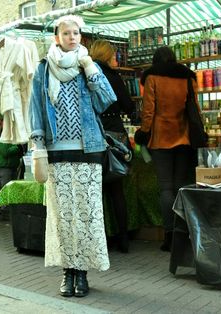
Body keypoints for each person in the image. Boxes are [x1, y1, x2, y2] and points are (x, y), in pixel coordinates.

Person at [29, 15, 116, 298]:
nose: (72, 37)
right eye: (66, 33)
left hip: (89, 149)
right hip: (56, 152)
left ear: (81, 36)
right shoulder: (43, 69)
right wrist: (38, 145)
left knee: (87, 215)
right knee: (63, 217)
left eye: (76, 33)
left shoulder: (87, 66)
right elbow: (36, 109)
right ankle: (69, 272)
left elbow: (106, 100)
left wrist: (90, 67)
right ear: (57, 37)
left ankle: (84, 273)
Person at [134, 46, 197, 252]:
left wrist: (143, 133)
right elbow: (194, 107)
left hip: (161, 138)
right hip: (184, 136)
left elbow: (149, 110)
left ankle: (169, 235)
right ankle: (183, 233)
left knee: (166, 188)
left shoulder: (152, 77)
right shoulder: (187, 76)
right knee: (181, 186)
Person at [89, 39, 134, 253]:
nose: (116, 59)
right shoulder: (114, 78)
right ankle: (123, 238)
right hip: (115, 136)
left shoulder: (86, 75)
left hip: (94, 137)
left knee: (94, 192)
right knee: (117, 191)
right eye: (114, 55)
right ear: (107, 55)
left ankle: (100, 241)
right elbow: (129, 106)